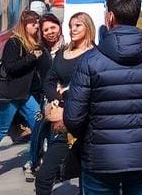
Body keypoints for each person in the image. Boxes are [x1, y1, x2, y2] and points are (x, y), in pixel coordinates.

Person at [64, 0, 142, 195]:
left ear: (110, 17)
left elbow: (73, 118)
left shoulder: (90, 61)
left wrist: (95, 135)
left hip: (100, 158)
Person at [34, 12, 95, 195]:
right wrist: (57, 99)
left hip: (87, 124)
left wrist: (68, 93)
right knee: (44, 176)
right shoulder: (62, 53)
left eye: (78, 25)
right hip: (62, 124)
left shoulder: (95, 54)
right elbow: (49, 81)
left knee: (87, 175)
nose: (72, 29)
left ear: (88, 27)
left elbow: (94, 88)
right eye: (70, 25)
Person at [0, 10, 44, 183]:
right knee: (1, 130)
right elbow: (10, 67)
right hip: (9, 95)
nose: (36, 26)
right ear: (24, 25)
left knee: (38, 124)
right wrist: (31, 58)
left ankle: (32, 162)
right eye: (32, 23)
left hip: (25, 94)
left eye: (37, 23)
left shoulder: (35, 42)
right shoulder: (14, 42)